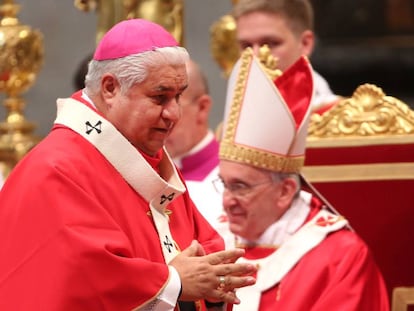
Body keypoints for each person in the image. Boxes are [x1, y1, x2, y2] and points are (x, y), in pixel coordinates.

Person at [0, 19, 258, 310]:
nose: (173, 113)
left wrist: (212, 279)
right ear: (110, 88)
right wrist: (174, 281)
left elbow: (200, 245)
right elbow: (79, 284)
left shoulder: (145, 158)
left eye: (178, 96)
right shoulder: (57, 169)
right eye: (159, 97)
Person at [214, 47, 390, 310]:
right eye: (224, 184)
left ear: (285, 191)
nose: (227, 201)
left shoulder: (341, 257)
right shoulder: (214, 242)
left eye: (240, 187)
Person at [232, 0, 339, 114]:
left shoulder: (342, 119)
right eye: (246, 46)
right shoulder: (231, 124)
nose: (256, 57)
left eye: (270, 43)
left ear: (305, 43)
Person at [165, 60, 224, 229]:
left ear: (202, 108)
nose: (161, 117)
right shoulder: (142, 174)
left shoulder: (235, 179)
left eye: (172, 104)